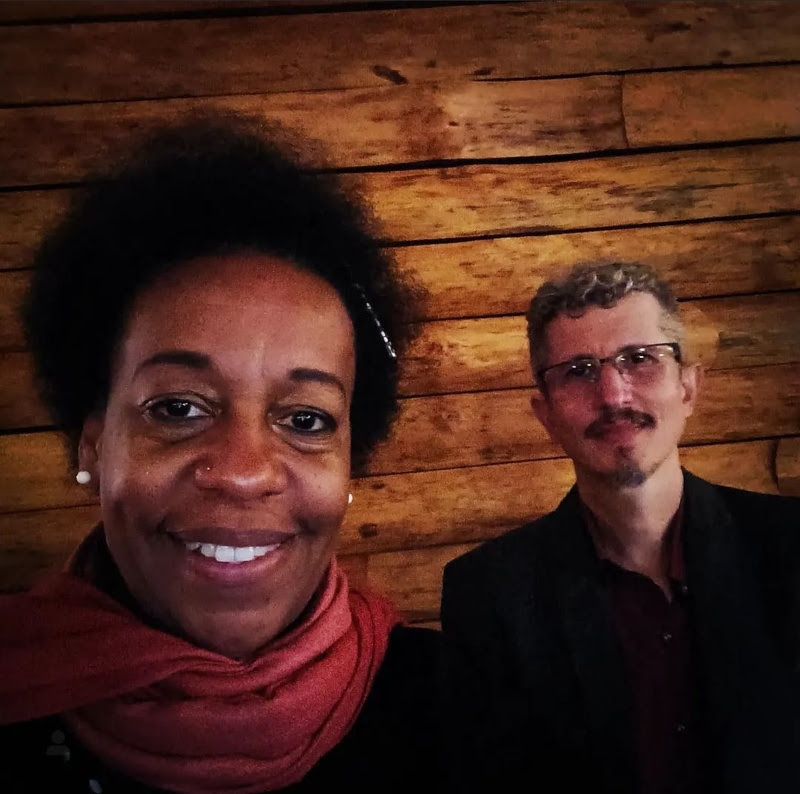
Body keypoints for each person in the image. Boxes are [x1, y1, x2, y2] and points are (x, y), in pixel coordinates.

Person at [0, 116, 445, 793]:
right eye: (178, 409)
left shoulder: (461, 711)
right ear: (94, 445)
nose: (243, 472)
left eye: (305, 419)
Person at [441, 262, 800, 794]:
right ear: (546, 414)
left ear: (689, 387)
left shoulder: (791, 546)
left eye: (639, 359)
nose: (613, 396)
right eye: (579, 370)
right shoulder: (489, 595)